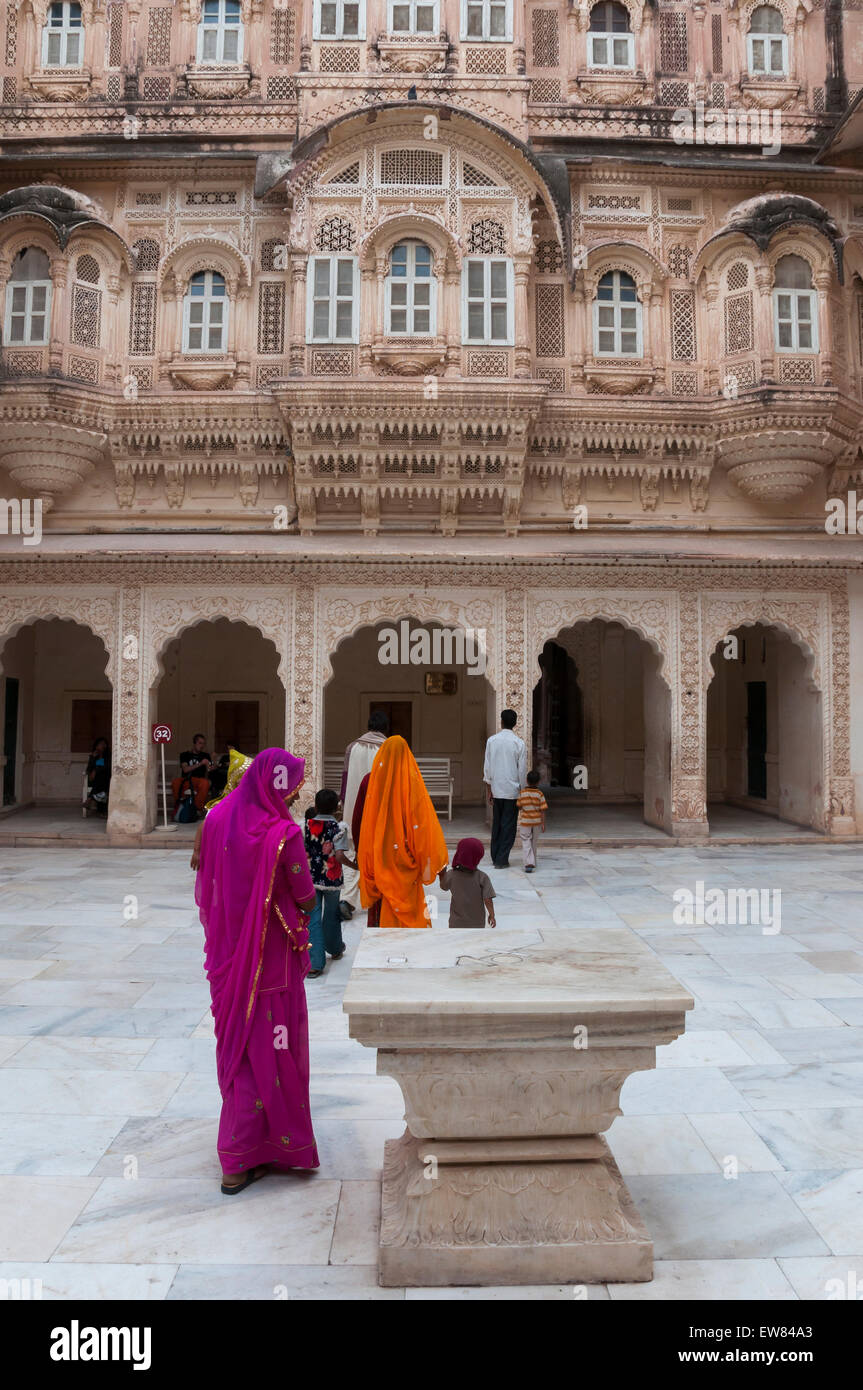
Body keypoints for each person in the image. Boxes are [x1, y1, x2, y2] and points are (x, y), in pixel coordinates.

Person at [194, 747, 319, 1194]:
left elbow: (208, 882)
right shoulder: (284, 834)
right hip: (272, 964)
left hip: (228, 958)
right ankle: (245, 1152)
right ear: (279, 785)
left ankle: (246, 1152)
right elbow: (305, 896)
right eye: (296, 783)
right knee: (271, 1052)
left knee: (243, 1045)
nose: (299, 790)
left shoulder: (216, 820)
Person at [358, 734, 448, 928]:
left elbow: (359, 822)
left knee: (381, 919)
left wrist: (365, 858)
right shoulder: (413, 784)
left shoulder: (371, 781)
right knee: (413, 922)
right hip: (407, 867)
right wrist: (432, 863)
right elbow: (423, 829)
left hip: (380, 862)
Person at [339, 711, 389, 918]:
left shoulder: (353, 747)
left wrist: (344, 804)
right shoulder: (387, 749)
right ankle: (379, 897)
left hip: (353, 808)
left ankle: (347, 900)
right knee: (378, 853)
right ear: (386, 728)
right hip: (379, 810)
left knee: (353, 852)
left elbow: (345, 778)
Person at [303, 788, 354, 977]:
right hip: (332, 878)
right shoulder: (339, 828)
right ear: (336, 808)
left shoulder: (305, 825)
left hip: (310, 878)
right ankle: (334, 948)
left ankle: (315, 963)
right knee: (331, 915)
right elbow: (339, 856)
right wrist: (354, 866)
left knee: (312, 916)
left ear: (315, 805)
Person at [190, 747, 253, 871]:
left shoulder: (253, 803)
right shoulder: (222, 805)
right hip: (223, 861)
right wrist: (197, 852)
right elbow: (204, 826)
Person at [483, 709, 527, 869]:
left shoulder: (492, 741)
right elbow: (522, 771)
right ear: (515, 723)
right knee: (509, 825)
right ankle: (501, 859)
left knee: (497, 824)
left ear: (501, 722)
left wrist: (489, 789)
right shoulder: (519, 743)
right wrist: (522, 791)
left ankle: (495, 856)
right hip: (512, 791)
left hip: (496, 788)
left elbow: (487, 768)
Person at [439, 837, 496, 929]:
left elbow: (443, 886)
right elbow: (488, 899)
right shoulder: (482, 877)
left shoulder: (451, 875)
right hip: (477, 923)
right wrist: (492, 915)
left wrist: (441, 875)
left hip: (456, 922)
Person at [173, 733, 213, 818]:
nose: (202, 746)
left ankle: (197, 809)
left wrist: (212, 762)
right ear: (194, 743)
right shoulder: (184, 755)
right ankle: (180, 806)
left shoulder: (205, 755)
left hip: (199, 780)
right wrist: (200, 763)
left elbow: (210, 769)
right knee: (176, 782)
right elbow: (185, 769)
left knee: (205, 783)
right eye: (200, 743)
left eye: (203, 743)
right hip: (187, 779)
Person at [517, 770, 548, 874]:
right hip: (537, 822)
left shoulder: (522, 793)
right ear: (538, 782)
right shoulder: (540, 794)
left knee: (526, 841)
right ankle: (532, 861)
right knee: (533, 842)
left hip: (525, 822)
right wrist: (543, 823)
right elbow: (542, 810)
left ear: (526, 781)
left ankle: (528, 863)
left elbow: (519, 806)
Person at [85, 737, 111, 816]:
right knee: (101, 783)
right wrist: (93, 758)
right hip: (95, 780)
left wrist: (95, 771)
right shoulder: (94, 756)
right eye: (100, 744)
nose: (103, 746)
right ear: (96, 746)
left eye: (104, 744)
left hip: (104, 780)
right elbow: (89, 769)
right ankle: (101, 811)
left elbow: (106, 768)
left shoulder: (108, 756)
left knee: (102, 780)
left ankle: (90, 799)